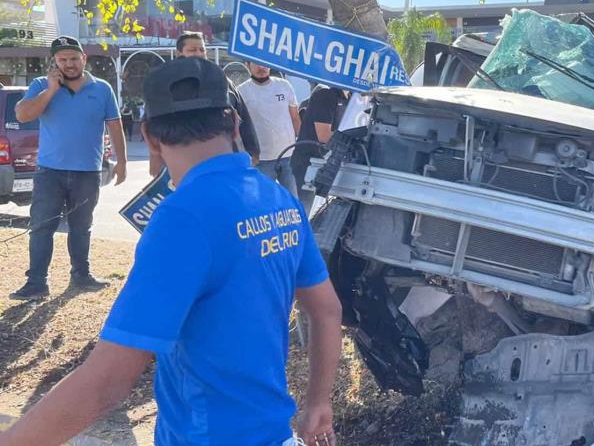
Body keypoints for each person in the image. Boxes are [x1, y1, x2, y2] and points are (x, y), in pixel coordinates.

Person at [0, 58, 344, 446]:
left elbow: (108, 379)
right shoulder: (277, 198)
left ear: (149, 137)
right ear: (233, 123)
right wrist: (318, 403)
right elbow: (327, 309)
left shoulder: (183, 218)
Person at [9, 36, 128, 301]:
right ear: (55, 62)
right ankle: (37, 282)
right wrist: (51, 90)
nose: (69, 64)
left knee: (81, 226)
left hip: (88, 171)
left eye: (74, 58)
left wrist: (122, 161)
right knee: (42, 226)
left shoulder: (102, 88)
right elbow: (23, 115)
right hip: (49, 172)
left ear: (84, 59)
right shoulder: (41, 84)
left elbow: (115, 125)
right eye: (63, 59)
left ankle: (81, 276)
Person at [149, 32, 261, 175]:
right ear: (179, 54)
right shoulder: (165, 86)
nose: (199, 54)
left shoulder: (224, 83)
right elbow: (153, 125)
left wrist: (253, 150)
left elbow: (243, 116)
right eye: (192, 50)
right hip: (185, 164)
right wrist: (155, 160)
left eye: (202, 50)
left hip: (225, 160)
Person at [238, 62, 300, 196]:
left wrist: (300, 147)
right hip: (261, 159)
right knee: (267, 202)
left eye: (265, 64)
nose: (262, 67)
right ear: (247, 64)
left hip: (289, 155)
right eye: (257, 64)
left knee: (293, 200)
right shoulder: (241, 91)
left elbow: (295, 117)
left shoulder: (284, 85)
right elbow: (239, 127)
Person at [291, 84, 349, 211]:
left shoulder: (349, 100)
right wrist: (350, 139)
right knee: (301, 212)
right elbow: (324, 135)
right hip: (306, 162)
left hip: (324, 162)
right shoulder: (325, 95)